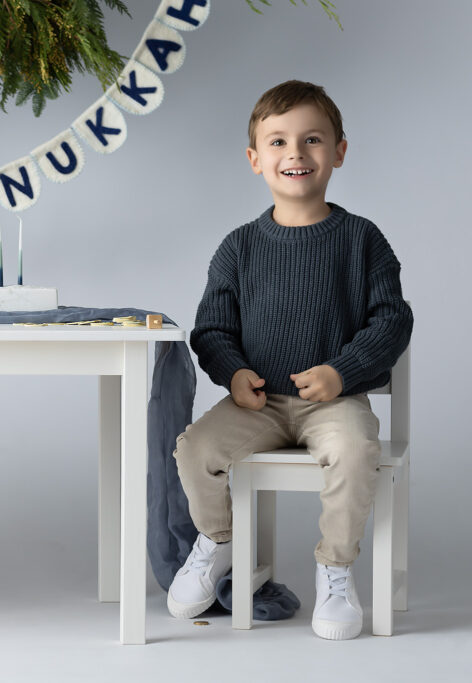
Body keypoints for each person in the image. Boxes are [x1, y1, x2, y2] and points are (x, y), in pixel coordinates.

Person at [166, 81, 413, 640]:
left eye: (312, 140)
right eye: (277, 142)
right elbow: (211, 328)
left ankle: (335, 570)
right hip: (257, 404)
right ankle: (218, 543)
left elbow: (392, 319)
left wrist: (341, 372)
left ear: (339, 152)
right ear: (255, 159)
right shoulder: (239, 247)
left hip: (334, 402)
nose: (295, 154)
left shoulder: (362, 239)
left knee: (355, 451)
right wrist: (232, 374)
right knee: (196, 448)